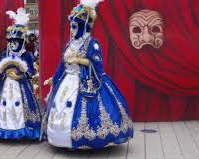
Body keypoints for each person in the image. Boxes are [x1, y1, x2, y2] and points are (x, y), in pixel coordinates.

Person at [43, 0, 133, 149]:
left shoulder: (92, 44)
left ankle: (87, 138)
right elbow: (62, 64)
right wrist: (54, 78)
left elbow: (98, 65)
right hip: (67, 82)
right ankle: (60, 137)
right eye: (71, 27)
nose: (71, 30)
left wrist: (79, 60)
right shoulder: (70, 44)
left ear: (82, 27)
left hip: (86, 80)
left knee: (89, 111)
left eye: (74, 27)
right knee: (60, 107)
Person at [0, 8, 41, 142]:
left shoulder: (26, 55)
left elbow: (31, 72)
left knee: (20, 106)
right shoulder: (6, 54)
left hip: (21, 87)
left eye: (16, 41)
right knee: (5, 105)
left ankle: (23, 130)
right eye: (11, 41)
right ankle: (3, 130)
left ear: (22, 41)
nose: (13, 44)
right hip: (6, 86)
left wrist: (20, 75)